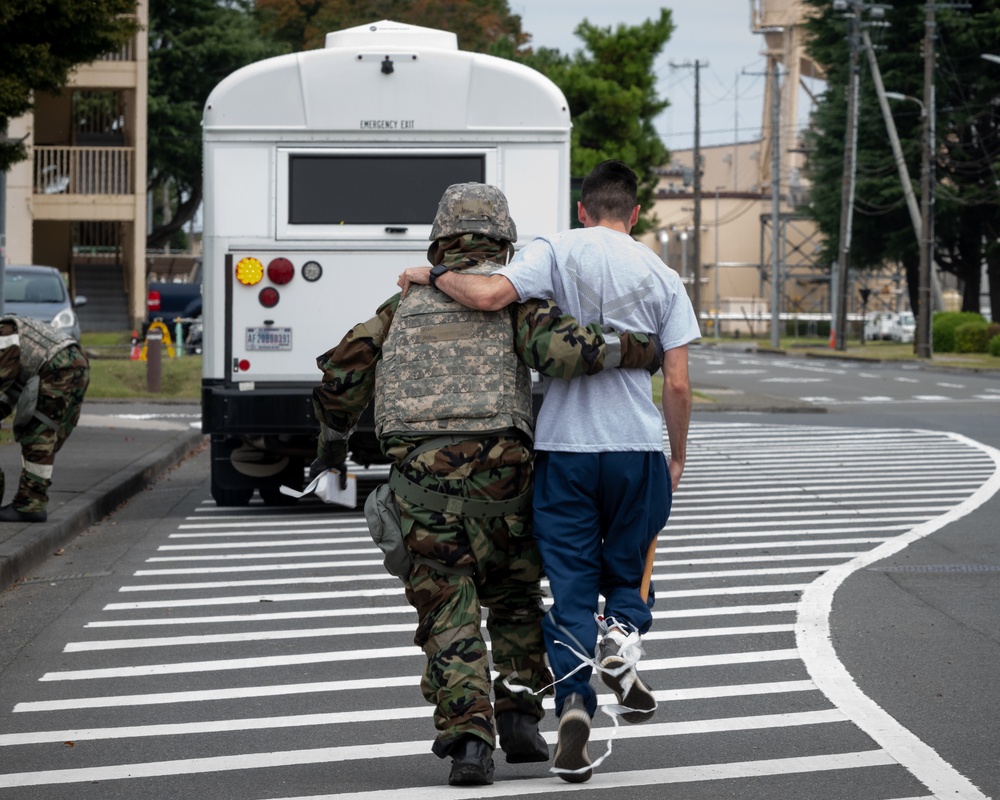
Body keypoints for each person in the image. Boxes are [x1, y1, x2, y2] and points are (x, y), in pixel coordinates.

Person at [311, 182, 664, 787]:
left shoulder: (400, 309)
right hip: (507, 488)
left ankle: (472, 743)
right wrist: (641, 349)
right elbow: (567, 351)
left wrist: (331, 446)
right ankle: (523, 723)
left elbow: (342, 377)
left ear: (440, 240)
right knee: (515, 600)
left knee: (449, 614)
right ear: (503, 240)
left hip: (423, 495)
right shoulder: (516, 303)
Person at [398, 161, 701, 782]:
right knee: (631, 572)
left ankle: (573, 708)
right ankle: (620, 637)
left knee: (567, 592)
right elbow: (677, 382)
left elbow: (486, 296)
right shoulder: (664, 275)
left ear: (583, 209)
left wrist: (430, 273)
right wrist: (676, 454)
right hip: (636, 451)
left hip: (563, 452)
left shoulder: (553, 251)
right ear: (634, 212)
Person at [0, 314, 90, 523]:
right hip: (74, 363)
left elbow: (3, 377)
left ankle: (30, 505)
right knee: (46, 434)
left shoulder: (3, 335)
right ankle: (32, 501)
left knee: (38, 433)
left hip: (59, 366)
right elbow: (10, 389)